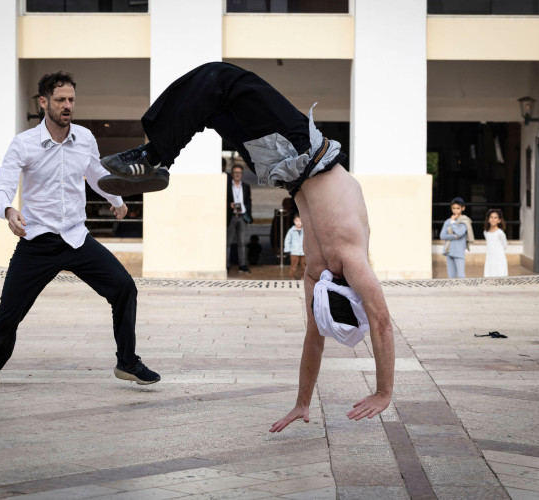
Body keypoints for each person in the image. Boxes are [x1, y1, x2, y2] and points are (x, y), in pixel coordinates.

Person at [96, 62, 395, 431]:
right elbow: (381, 322)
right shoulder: (347, 260)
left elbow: (315, 341)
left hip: (283, 162)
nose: (319, 298)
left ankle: (153, 158)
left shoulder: (319, 272)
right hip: (300, 151)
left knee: (219, 85)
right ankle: (156, 161)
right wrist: (384, 392)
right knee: (215, 97)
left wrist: (302, 403)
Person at [0, 71, 160, 389]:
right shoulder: (24, 143)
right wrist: (8, 211)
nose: (67, 105)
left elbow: (95, 173)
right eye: (60, 100)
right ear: (44, 103)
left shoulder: (84, 138)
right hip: (37, 241)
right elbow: (1, 186)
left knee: (124, 287)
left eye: (71, 99)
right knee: (9, 312)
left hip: (76, 238)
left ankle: (127, 362)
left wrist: (116, 200)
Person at [226, 164, 253, 273]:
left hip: (242, 216)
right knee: (228, 242)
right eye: (235, 173)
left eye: (239, 173)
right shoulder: (227, 186)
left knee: (242, 242)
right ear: (232, 174)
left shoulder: (246, 186)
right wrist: (229, 205)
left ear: (242, 174)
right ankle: (226, 265)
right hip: (231, 216)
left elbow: (248, 201)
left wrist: (247, 213)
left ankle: (242, 265)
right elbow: (223, 200)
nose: (237, 175)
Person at [440, 197, 473, 279]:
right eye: (453, 208)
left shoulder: (465, 221)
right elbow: (442, 236)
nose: (455, 210)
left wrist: (453, 223)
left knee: (461, 276)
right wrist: (454, 236)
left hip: (459, 251)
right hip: (449, 250)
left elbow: (459, 233)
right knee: (451, 276)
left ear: (463, 208)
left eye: (458, 208)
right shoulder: (448, 221)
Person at [483, 208, 508, 277]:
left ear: (499, 220)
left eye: (495, 218)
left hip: (499, 259)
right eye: (491, 217)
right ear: (488, 219)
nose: (493, 219)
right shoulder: (486, 232)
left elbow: (505, 245)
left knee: (499, 275)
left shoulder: (500, 233)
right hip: (489, 258)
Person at [284, 215, 305, 280]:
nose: (298, 223)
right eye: (296, 221)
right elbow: (287, 240)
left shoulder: (305, 230)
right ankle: (292, 277)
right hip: (294, 251)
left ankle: (303, 277)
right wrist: (287, 249)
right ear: (294, 221)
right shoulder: (291, 230)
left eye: (300, 221)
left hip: (303, 251)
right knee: (293, 265)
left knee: (304, 266)